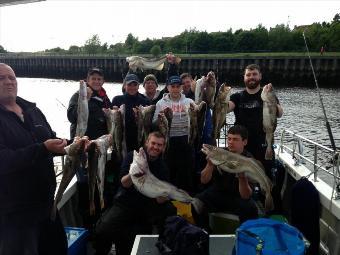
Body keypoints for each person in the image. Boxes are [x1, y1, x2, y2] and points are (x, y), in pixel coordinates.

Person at [0, 63, 68, 255]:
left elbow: (51, 140)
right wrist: (42, 148)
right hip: (15, 215)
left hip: (47, 206)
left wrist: (74, 145)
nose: (8, 82)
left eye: (12, 78)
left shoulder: (32, 110)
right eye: (1, 78)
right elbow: (4, 160)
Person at [94, 132, 177, 255]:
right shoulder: (132, 156)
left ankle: (164, 241)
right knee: (102, 230)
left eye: (159, 145)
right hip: (125, 202)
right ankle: (101, 252)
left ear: (163, 147)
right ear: (147, 142)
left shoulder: (163, 167)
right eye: (153, 143)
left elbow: (160, 200)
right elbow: (124, 183)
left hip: (147, 206)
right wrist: (133, 173)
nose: (155, 147)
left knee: (134, 245)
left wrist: (166, 195)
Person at [228, 63, 284, 212]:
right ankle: (246, 208)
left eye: (254, 74)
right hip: (242, 148)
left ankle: (273, 210)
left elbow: (279, 113)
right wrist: (219, 97)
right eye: (248, 75)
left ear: (260, 76)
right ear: (244, 78)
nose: (251, 77)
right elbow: (227, 107)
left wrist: (271, 97)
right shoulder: (237, 96)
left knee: (268, 180)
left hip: (263, 145)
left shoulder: (268, 95)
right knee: (242, 179)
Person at [67, 67, 113, 228]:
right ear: (88, 80)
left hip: (98, 149)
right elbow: (71, 116)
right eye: (93, 79)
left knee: (100, 181)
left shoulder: (105, 98)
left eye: (99, 79)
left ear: (103, 81)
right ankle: (87, 224)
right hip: (82, 150)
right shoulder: (79, 95)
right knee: (85, 185)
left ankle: (99, 218)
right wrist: (84, 99)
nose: (96, 81)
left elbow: (108, 125)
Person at [191, 125, 258, 232]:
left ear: (244, 142)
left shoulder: (249, 160)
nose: (231, 142)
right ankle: (205, 233)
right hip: (219, 192)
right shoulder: (219, 153)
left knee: (251, 208)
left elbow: (246, 196)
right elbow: (204, 180)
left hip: (238, 196)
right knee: (196, 202)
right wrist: (210, 164)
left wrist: (242, 178)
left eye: (235, 139)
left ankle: (246, 236)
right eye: (229, 139)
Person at [153, 75, 195, 193]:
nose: (175, 89)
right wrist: (161, 117)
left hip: (186, 140)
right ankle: (168, 197)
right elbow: (154, 125)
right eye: (173, 86)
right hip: (169, 141)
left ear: (181, 87)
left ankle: (185, 198)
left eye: (178, 86)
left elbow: (197, 119)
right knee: (168, 170)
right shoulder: (160, 103)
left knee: (186, 172)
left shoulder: (189, 101)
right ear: (168, 87)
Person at [112, 73, 150, 154]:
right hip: (122, 138)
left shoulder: (145, 100)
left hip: (139, 139)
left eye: (135, 84)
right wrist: (114, 113)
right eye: (129, 85)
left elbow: (148, 124)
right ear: (124, 86)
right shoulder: (117, 100)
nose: (132, 87)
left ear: (138, 86)